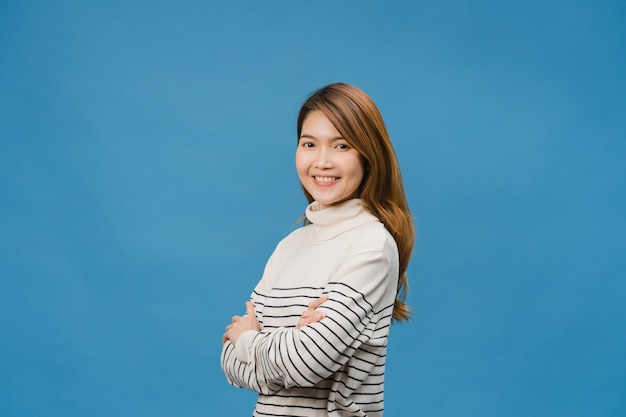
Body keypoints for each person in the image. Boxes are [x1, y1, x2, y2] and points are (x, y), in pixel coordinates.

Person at [220, 82, 415, 417]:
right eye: (309, 143)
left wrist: (252, 341)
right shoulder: (289, 246)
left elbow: (307, 364)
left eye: (341, 145)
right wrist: (291, 343)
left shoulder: (372, 245)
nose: (322, 161)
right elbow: (228, 362)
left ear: (369, 155)